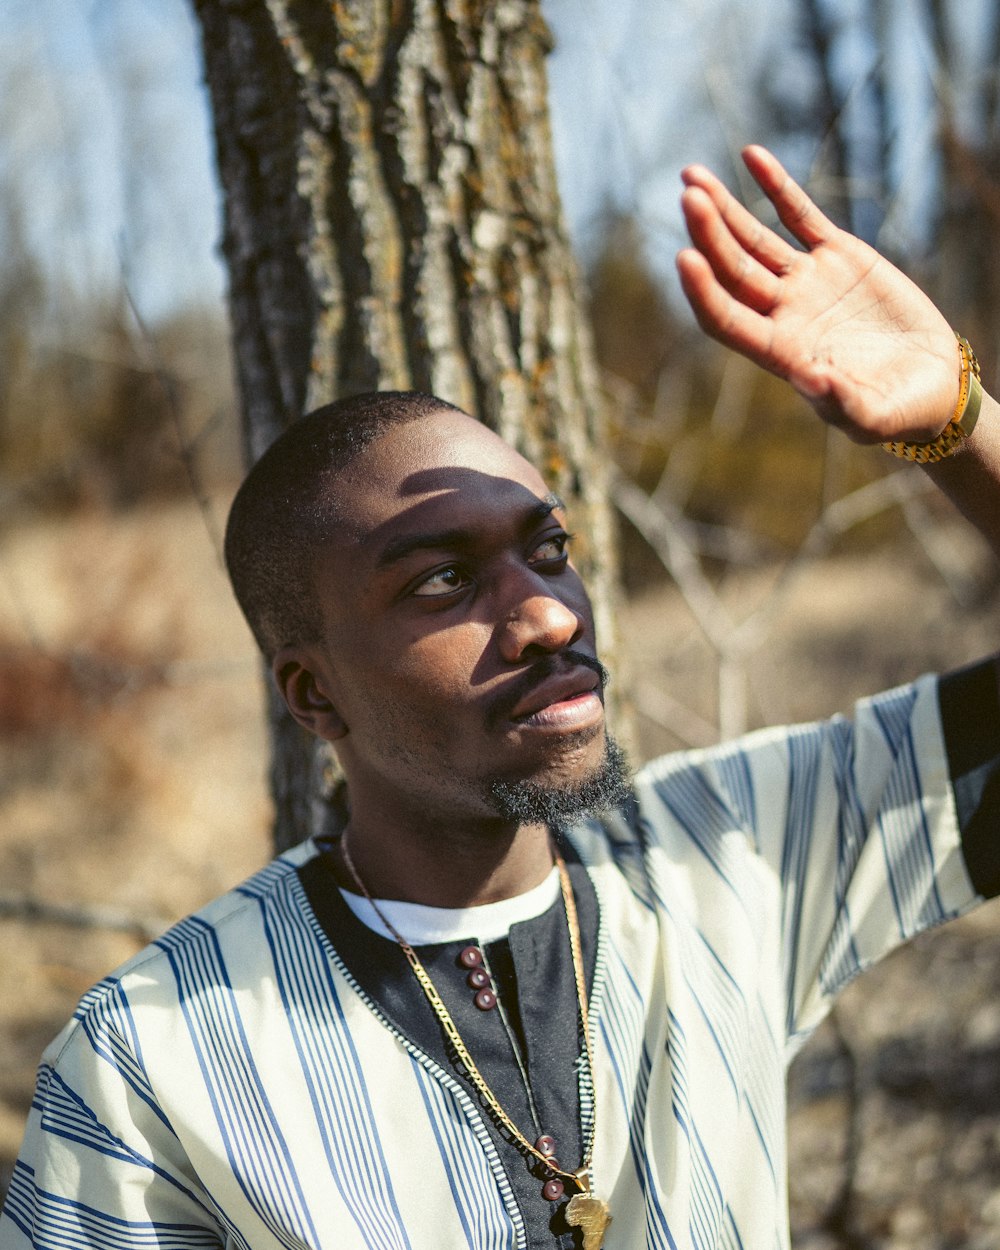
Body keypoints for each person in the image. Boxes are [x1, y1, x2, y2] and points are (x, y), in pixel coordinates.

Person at [2, 147, 998, 1250]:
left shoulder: (732, 856)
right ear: (314, 692)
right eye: (443, 580)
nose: (550, 615)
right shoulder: (153, 1062)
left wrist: (961, 422)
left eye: (549, 548)